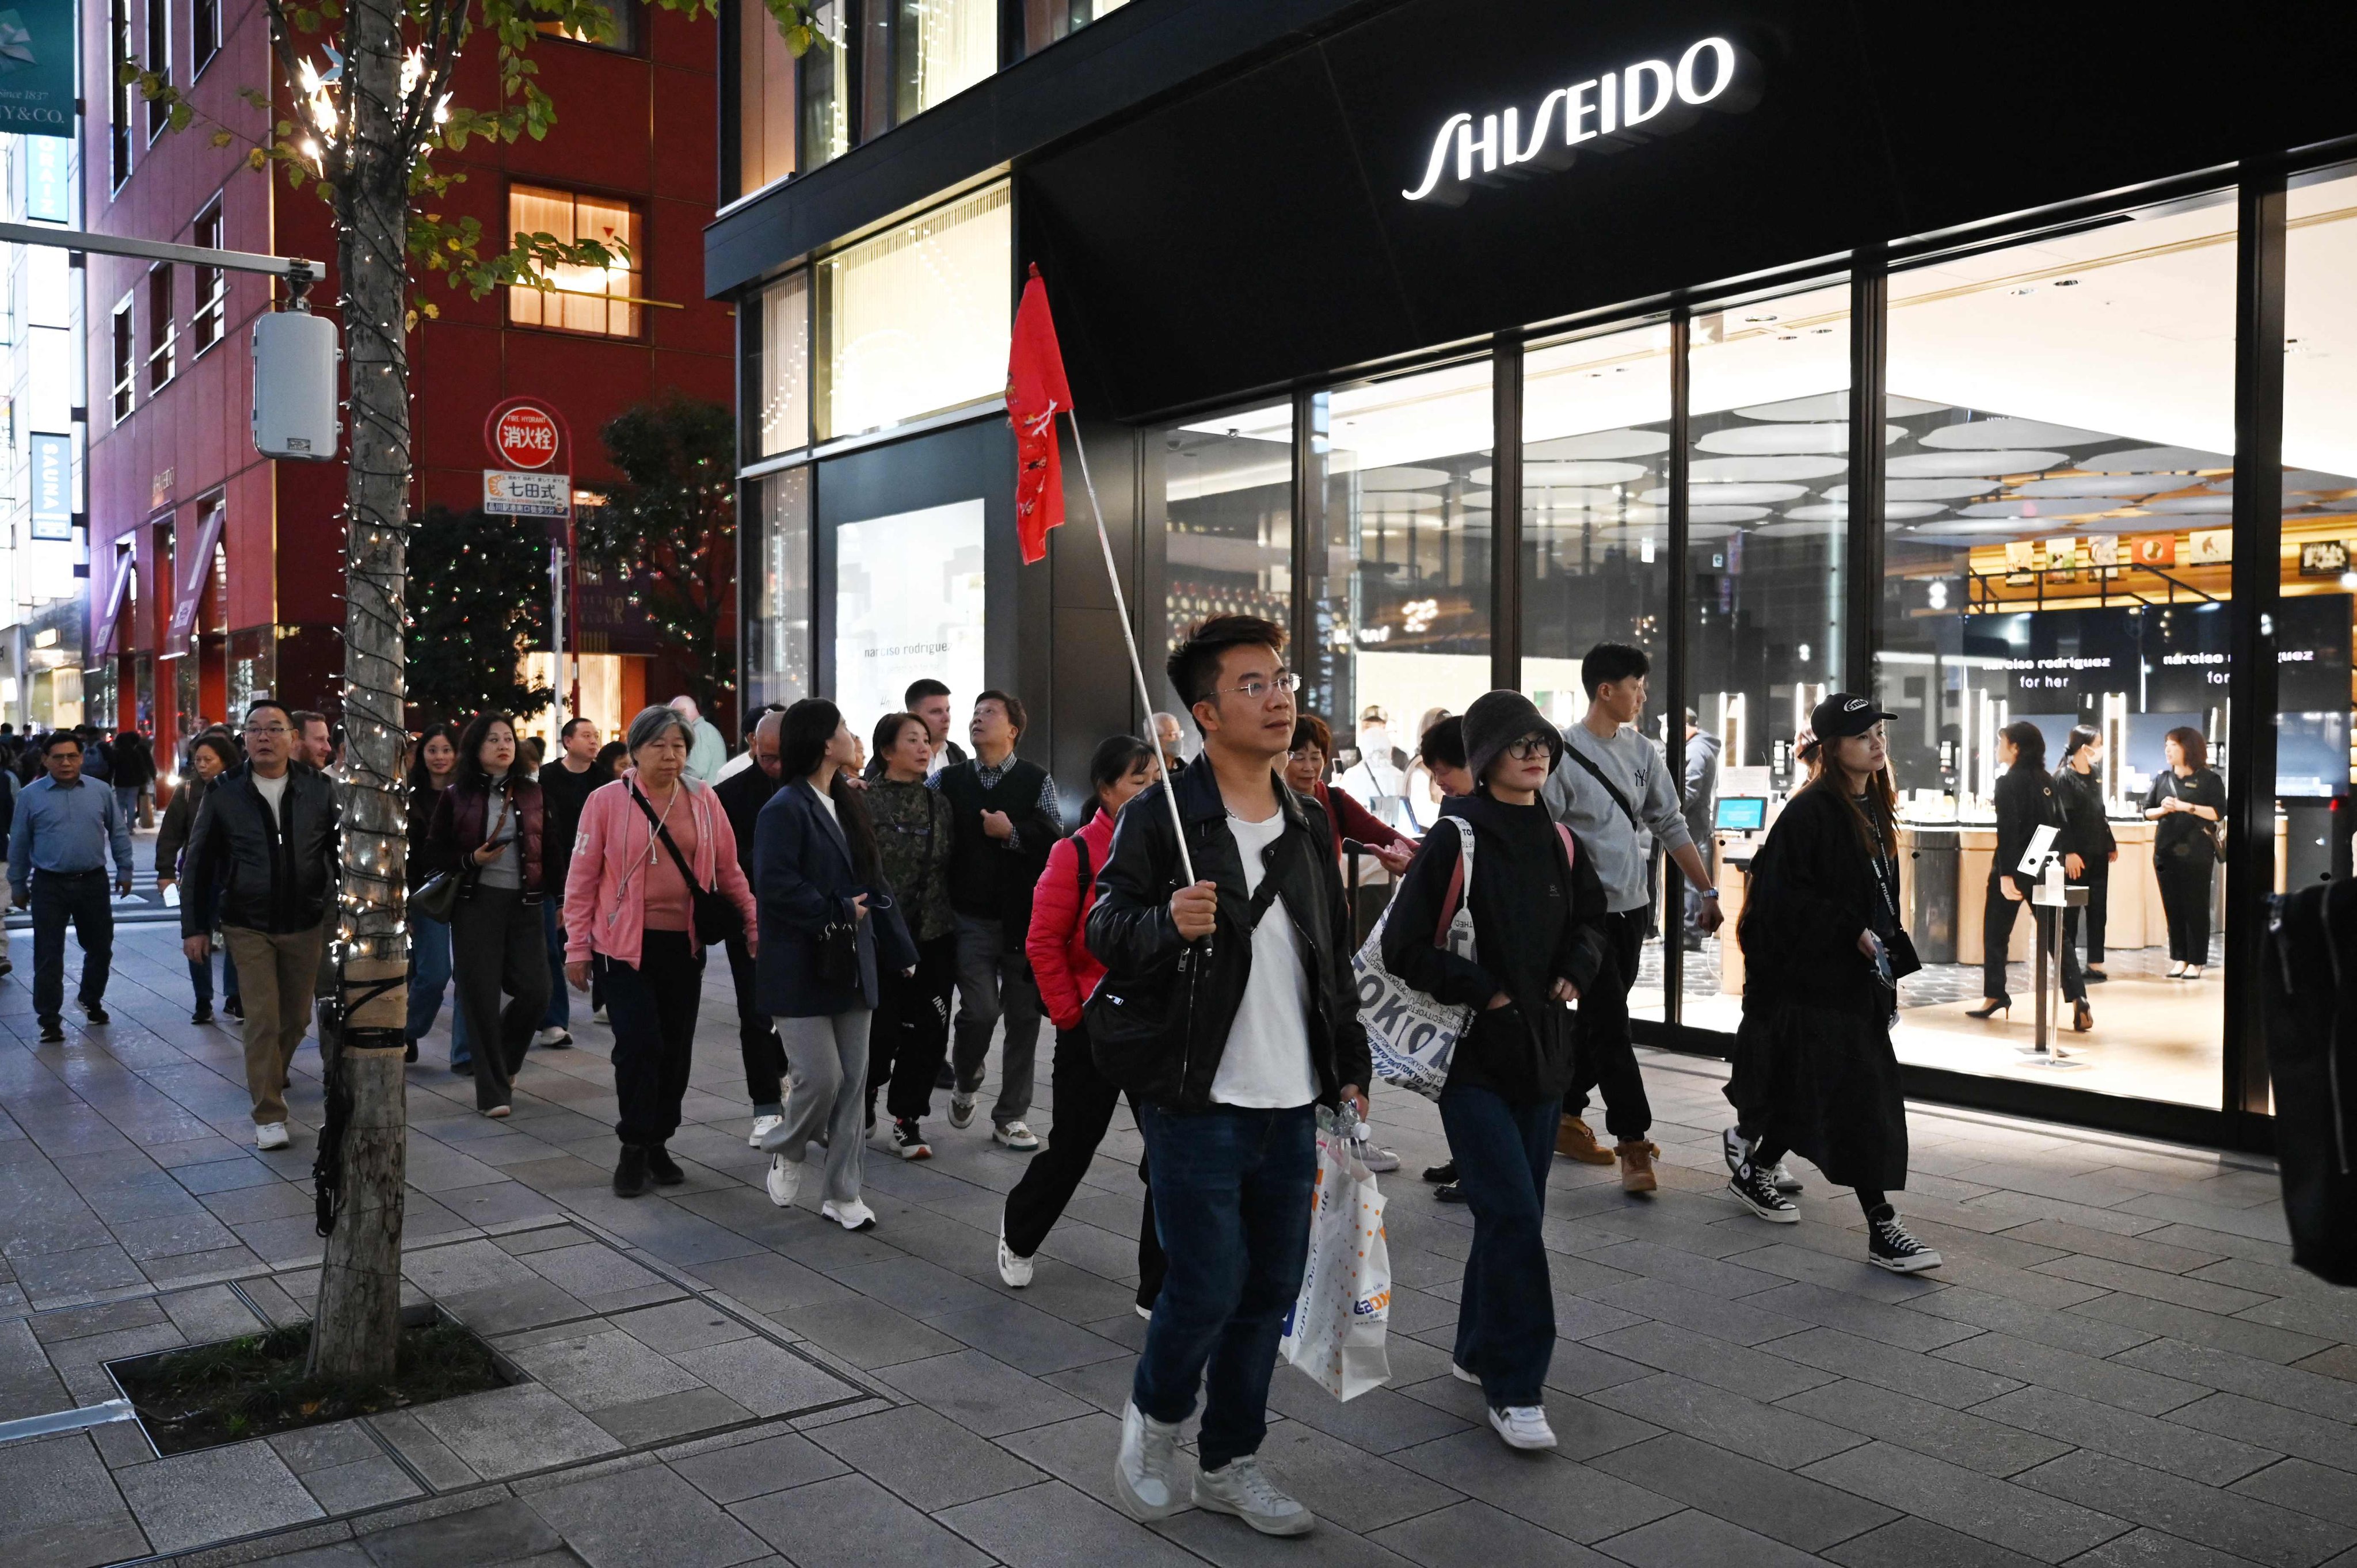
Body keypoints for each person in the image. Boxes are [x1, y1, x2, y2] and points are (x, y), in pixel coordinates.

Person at [1088, 615, 1369, 1538]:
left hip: (1292, 1102)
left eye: (1281, 678)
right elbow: (1103, 933)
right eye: (1251, 684)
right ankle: (1153, 1424)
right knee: (1205, 1284)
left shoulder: (1306, 819)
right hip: (1197, 1096)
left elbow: (1327, 957)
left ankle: (1230, 1462)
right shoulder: (1161, 816)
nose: (1279, 694)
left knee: (1266, 1294)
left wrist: (1348, 1066)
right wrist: (1165, 921)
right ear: (1205, 712)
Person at [1384, 692, 1609, 1448]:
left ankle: (1475, 1348)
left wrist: (1577, 966)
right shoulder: (1456, 837)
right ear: (1483, 760)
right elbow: (1402, 947)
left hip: (1543, 1056)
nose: (1532, 754)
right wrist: (1487, 990)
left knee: (1509, 1214)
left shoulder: (1559, 840)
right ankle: (1516, 1388)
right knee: (1513, 1214)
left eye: (1539, 742)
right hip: (1471, 1060)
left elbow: (1591, 920)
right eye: (1515, 745)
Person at [1724, 695, 1942, 1273]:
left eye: (1878, 733)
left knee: (1810, 1095)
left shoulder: (1868, 803)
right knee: (1860, 1103)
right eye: (1862, 734)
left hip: (1854, 982)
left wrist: (1884, 958)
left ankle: (1754, 1169)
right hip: (1816, 984)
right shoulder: (1810, 811)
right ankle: (1882, 1225)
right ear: (1831, 747)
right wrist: (1851, 933)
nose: (1877, 742)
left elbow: (1875, 895)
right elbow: (1781, 903)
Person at [1540, 643, 1722, 1191]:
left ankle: (1564, 1114)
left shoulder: (1642, 751)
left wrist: (1706, 889)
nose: (1643, 695)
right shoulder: (1562, 754)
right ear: (1605, 689)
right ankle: (1633, 1142)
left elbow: (1670, 823)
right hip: (1583, 919)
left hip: (1631, 908)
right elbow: (1543, 840)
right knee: (1612, 1028)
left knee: (1599, 1024)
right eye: (1636, 685)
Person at [1000, 734, 1168, 1308]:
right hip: (1092, 1026)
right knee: (1073, 1147)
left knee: (1167, 1158)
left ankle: (1158, 1284)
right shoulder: (1073, 852)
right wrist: (1072, 1015)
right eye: (1138, 781)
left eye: (1156, 780)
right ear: (1105, 789)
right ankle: (1020, 1232)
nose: (1151, 791)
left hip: (1158, 1026)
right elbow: (1043, 940)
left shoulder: (1174, 850)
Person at [565, 705, 759, 1196]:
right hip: (621, 946)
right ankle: (633, 1145)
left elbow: (730, 869)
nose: (670, 756)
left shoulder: (704, 799)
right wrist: (576, 947)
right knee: (639, 1043)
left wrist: (754, 923)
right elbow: (582, 877)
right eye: (659, 745)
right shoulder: (606, 801)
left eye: (679, 746)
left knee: (674, 1049)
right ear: (634, 750)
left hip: (683, 944)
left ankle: (658, 1140)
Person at [754, 699, 917, 1231]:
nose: (853, 736)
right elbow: (776, 887)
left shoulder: (848, 801)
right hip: (800, 964)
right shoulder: (783, 808)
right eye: (845, 728)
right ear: (826, 742)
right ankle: (789, 1144)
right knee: (820, 1079)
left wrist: (900, 951)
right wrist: (840, 910)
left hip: (854, 961)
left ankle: (843, 1193)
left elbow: (877, 879)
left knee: (853, 1083)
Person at [178, 701, 340, 1149]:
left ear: (292, 737)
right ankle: (269, 1112)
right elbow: (199, 862)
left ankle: (272, 1072)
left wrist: (343, 907)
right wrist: (193, 926)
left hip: (306, 919)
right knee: (263, 1019)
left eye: (274, 729)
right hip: (246, 922)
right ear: (243, 739)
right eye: (254, 730)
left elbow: (336, 853)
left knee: (295, 1018)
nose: (263, 737)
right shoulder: (225, 790)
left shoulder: (319, 789)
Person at [932, 689, 1061, 1150]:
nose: (977, 719)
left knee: (1025, 1018)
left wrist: (1012, 834)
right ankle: (966, 1077)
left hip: (1024, 918)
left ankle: (1011, 1115)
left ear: (1013, 729)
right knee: (980, 1010)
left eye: (989, 713)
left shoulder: (1035, 779)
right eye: (975, 712)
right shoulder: (948, 779)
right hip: (969, 915)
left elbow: (1053, 840)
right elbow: (915, 805)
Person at [427, 712, 549, 1117]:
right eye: (493, 739)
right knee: (479, 997)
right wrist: (470, 859)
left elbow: (554, 847)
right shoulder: (457, 794)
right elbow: (435, 853)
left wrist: (563, 899)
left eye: (509, 739)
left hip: (525, 904)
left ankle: (506, 1061)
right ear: (476, 748)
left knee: (536, 991)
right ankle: (493, 1091)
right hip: (475, 904)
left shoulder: (533, 792)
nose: (504, 745)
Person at [865, 710, 958, 1158]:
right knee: (877, 1031)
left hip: (933, 934)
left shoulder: (939, 802)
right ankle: (862, 1099)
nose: (924, 748)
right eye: (912, 740)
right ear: (886, 750)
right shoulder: (863, 800)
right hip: (881, 937)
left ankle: (907, 1119)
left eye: (927, 740)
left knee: (929, 1032)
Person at [11, 731, 135, 1043]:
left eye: (72, 756)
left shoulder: (101, 790)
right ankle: (49, 1019)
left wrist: (125, 868)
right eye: (58, 757)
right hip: (48, 885)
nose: (66, 763)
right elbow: (20, 843)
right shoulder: (30, 796)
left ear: (81, 758)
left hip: (93, 881)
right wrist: (17, 883)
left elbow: (118, 833)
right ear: (45, 760)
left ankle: (90, 999)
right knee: (48, 954)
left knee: (100, 947)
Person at [1970, 721, 2081, 1025]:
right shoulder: (2047, 779)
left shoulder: (2008, 782)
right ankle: (2079, 996)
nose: (1997, 748)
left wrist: (2009, 874)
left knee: (1996, 932)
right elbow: (2055, 825)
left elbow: (2007, 830)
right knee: (2056, 935)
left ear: (2015, 748)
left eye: (2001, 742)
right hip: (2045, 863)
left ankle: (1996, 994)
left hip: (2014, 866)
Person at [715, 709, 788, 1144]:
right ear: (752, 747)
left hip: (806, 919)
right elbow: (725, 863)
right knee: (756, 1013)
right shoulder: (729, 794)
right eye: (767, 757)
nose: (776, 767)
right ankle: (765, 1104)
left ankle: (789, 1078)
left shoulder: (821, 789)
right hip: (749, 917)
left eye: (784, 757)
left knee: (802, 1012)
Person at [157, 733, 242, 1025]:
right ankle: (203, 999)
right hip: (197, 874)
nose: (203, 766)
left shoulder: (240, 788)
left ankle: (234, 996)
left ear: (225, 761)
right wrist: (165, 871)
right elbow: (170, 833)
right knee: (197, 933)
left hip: (233, 874)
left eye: (209, 760)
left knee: (236, 935)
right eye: (198, 761)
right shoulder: (188, 791)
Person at [532, 717, 604, 1050]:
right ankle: (554, 1021)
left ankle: (605, 1002)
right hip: (557, 869)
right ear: (567, 741)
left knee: (602, 935)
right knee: (553, 946)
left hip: (599, 869)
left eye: (596, 736)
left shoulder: (605, 780)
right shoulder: (546, 778)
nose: (593, 742)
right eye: (586, 736)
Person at [404, 723, 471, 1069]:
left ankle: (464, 1054)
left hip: (469, 890)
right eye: (433, 750)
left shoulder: (469, 792)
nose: (440, 757)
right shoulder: (409, 796)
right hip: (426, 894)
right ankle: (407, 1030)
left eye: (447, 750)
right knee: (434, 973)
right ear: (422, 755)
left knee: (470, 975)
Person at [2144, 726, 2225, 981]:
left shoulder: (2210, 780)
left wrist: (2186, 807)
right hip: (2165, 852)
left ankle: (2197, 961)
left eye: (2174, 745)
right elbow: (2147, 811)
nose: (2168, 750)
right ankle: (2180, 957)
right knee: (2173, 906)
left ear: (2189, 748)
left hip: (2197, 853)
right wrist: (2163, 810)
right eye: (2167, 744)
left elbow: (2218, 813)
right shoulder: (2162, 779)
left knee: (2196, 906)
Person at [1284, 715, 1414, 873]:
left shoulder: (1335, 800)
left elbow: (1384, 835)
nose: (1309, 767)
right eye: (1299, 758)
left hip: (1328, 899)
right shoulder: (1266, 801)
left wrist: (1429, 858)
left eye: (1315, 757)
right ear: (1280, 758)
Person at [2053, 726, 2116, 984]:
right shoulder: (2063, 778)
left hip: (2099, 851)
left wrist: (2110, 841)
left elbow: (2099, 811)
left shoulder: (2097, 774)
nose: (2101, 749)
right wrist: (2068, 852)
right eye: (2098, 743)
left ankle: (2095, 962)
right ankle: (2067, 964)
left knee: (2098, 908)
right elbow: (2061, 819)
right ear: (2084, 747)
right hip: (2075, 854)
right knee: (2071, 911)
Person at [866, 678, 968, 780]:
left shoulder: (957, 754)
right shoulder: (888, 760)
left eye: (947, 710)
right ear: (914, 716)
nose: (946, 718)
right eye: (936, 712)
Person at [1681, 708, 1723, 951]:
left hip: (1692, 825)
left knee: (1691, 881)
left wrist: (1669, 809)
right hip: (1696, 824)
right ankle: (1692, 929)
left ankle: (1690, 932)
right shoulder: (1702, 747)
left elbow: (1690, 790)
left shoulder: (1696, 750)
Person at [671, 695, 729, 783]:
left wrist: (670, 782)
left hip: (703, 795)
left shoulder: (699, 732)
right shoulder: (706, 730)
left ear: (683, 712)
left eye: (674, 716)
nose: (673, 722)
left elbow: (694, 771)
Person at [111, 728, 155, 831]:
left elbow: (113, 767)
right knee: (132, 803)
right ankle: (130, 826)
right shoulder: (136, 753)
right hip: (134, 782)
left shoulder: (117, 753)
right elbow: (142, 767)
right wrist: (146, 779)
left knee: (121, 803)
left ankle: (121, 825)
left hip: (120, 781)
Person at [1151, 711, 1188, 779]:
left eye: (1179, 733)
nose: (1178, 738)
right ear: (1155, 739)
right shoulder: (1149, 772)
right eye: (1173, 734)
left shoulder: (1187, 771)